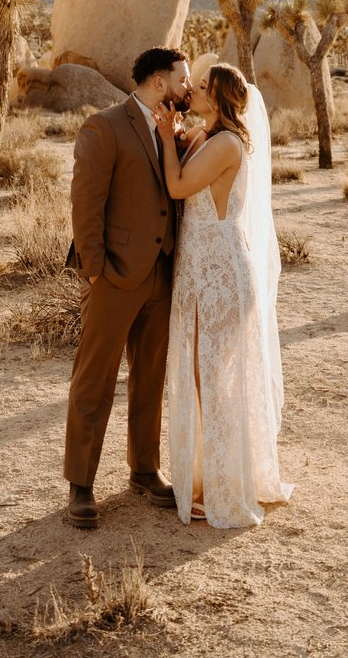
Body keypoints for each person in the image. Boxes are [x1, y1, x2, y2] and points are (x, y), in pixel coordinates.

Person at [155, 62, 293, 528]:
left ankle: (218, 488)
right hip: (202, 271)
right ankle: (212, 478)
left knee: (212, 380)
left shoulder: (228, 144)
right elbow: (183, 151)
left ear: (219, 98)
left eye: (202, 86)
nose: (191, 89)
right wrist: (175, 133)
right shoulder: (208, 136)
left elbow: (177, 184)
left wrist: (164, 133)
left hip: (220, 274)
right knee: (205, 378)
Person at [63, 46, 193, 529]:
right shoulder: (106, 126)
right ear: (159, 82)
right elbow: (86, 201)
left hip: (162, 272)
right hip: (114, 274)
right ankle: (81, 484)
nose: (189, 88)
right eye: (183, 79)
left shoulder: (173, 128)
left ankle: (144, 469)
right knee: (94, 381)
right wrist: (94, 269)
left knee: (150, 379)